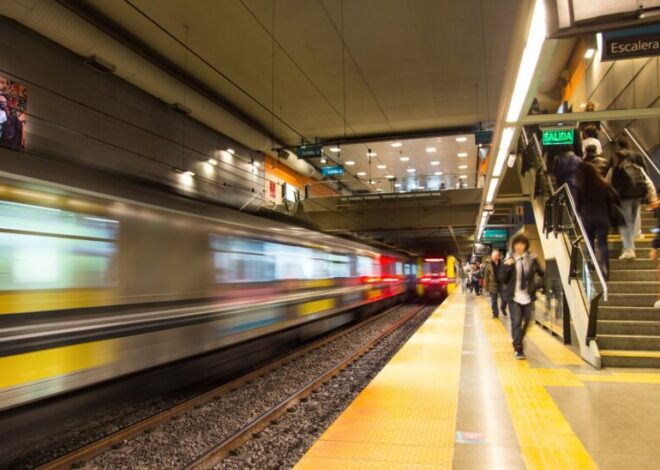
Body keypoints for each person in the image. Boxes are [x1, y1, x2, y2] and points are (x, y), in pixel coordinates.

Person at [498, 234, 544, 359]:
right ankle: (518, 348)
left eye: (522, 244)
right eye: (516, 244)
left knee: (527, 322)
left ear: (526, 245)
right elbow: (502, 279)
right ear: (513, 246)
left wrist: (539, 284)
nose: (519, 246)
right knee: (516, 322)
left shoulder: (532, 259)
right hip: (514, 297)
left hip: (528, 296)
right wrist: (507, 267)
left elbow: (541, 273)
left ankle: (517, 340)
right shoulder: (508, 260)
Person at [607, 150, 658, 259]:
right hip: (637, 198)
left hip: (624, 199)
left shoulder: (615, 169)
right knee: (632, 222)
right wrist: (653, 197)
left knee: (625, 225)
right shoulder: (637, 167)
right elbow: (648, 182)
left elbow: (606, 184)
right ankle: (631, 245)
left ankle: (628, 249)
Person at [576, 162, 615, 276]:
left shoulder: (581, 185)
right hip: (602, 217)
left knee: (589, 243)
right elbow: (612, 199)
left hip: (587, 217)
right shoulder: (603, 184)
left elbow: (577, 206)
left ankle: (590, 265)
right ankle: (605, 268)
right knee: (603, 244)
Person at [483, 249, 507, 318]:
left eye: (495, 256)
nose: (493, 257)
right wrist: (486, 287)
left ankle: (503, 307)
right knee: (494, 301)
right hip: (492, 285)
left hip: (501, 284)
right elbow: (486, 276)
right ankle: (495, 314)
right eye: (492, 256)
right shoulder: (488, 264)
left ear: (498, 256)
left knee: (504, 298)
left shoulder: (502, 263)